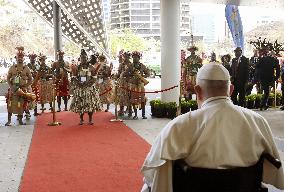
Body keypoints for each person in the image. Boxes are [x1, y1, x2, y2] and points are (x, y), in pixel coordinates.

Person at [140, 63, 284, 192]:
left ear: (198, 90)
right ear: (231, 89)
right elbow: (274, 169)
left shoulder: (179, 125)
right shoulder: (258, 122)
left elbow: (155, 174)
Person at [69, 49, 101, 125]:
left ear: (87, 59)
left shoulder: (91, 67)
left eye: (85, 58)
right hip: (80, 88)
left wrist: (90, 83)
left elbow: (95, 76)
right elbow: (74, 76)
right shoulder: (77, 67)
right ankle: (81, 119)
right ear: (80, 58)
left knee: (90, 104)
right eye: (82, 58)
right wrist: (78, 83)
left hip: (89, 88)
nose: (83, 59)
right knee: (80, 104)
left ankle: (90, 119)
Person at [5, 47, 33, 126]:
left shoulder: (26, 68)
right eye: (18, 57)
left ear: (23, 59)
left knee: (21, 104)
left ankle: (20, 120)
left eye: (21, 57)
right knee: (10, 104)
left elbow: (30, 79)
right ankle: (9, 120)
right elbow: (8, 78)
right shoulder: (12, 68)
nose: (20, 59)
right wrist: (11, 86)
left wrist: (26, 86)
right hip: (13, 88)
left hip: (22, 89)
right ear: (16, 58)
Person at [123, 51, 150, 119]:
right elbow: (125, 74)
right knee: (133, 100)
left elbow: (148, 73)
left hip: (140, 85)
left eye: (136, 57)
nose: (134, 58)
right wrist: (131, 74)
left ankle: (143, 114)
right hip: (133, 85)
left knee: (143, 100)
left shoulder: (142, 66)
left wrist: (141, 76)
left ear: (139, 58)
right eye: (133, 57)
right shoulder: (130, 66)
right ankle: (135, 115)